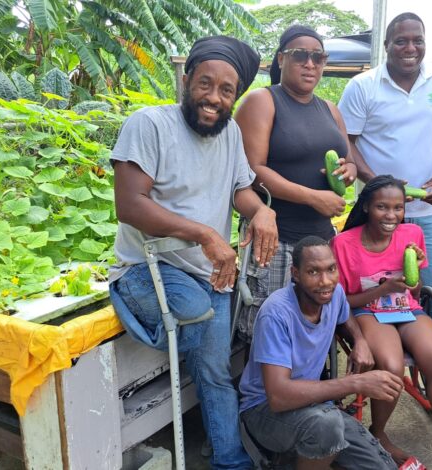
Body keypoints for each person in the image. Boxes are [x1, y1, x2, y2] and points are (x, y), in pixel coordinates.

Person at [107, 36, 278, 469]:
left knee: (216, 373)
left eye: (226, 91)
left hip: (211, 272)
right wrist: (204, 234)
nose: (214, 99)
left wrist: (262, 212)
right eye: (205, 84)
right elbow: (130, 205)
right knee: (197, 312)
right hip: (147, 266)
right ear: (186, 81)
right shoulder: (149, 125)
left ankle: (230, 460)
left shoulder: (231, 133)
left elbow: (242, 189)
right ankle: (143, 319)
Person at [338, 12, 432, 319]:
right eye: (401, 41)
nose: (410, 48)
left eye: (417, 40)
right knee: (373, 286)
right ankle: (386, 353)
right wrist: (382, 185)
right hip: (377, 212)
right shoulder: (363, 86)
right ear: (386, 44)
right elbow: (346, 140)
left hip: (430, 211)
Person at [234, 25, 356, 343]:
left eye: (318, 57)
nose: (310, 63)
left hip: (319, 241)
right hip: (276, 239)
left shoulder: (329, 108)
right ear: (281, 59)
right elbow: (251, 169)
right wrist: (312, 197)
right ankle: (263, 393)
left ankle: (314, 389)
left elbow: (349, 157)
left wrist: (350, 169)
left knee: (315, 325)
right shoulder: (263, 101)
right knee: (270, 328)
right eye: (300, 55)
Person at [331, 176, 432, 470]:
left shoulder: (412, 233)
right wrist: (381, 290)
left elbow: (415, 291)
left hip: (406, 309)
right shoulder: (343, 243)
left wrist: (412, 275)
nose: (391, 216)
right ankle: (379, 434)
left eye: (398, 208)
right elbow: (341, 301)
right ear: (366, 207)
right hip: (367, 311)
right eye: (382, 207)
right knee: (391, 366)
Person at [238, 236, 401, 470]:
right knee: (327, 427)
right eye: (313, 272)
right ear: (295, 274)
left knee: (382, 466)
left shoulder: (334, 294)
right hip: (262, 411)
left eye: (331, 269)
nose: (325, 281)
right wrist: (356, 383)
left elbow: (346, 316)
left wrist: (360, 340)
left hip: (313, 405)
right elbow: (278, 397)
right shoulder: (275, 313)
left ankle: (296, 457)